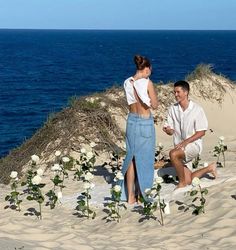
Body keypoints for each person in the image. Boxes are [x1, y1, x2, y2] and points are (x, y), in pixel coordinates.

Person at [163, 80, 217, 188]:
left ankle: (181, 184)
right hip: (179, 147)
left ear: (186, 92)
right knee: (189, 179)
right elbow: (170, 129)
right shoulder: (172, 109)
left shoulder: (197, 109)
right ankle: (210, 168)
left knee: (172, 154)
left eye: (178, 92)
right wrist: (168, 130)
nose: (175, 95)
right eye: (174, 92)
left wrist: (186, 142)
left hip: (193, 146)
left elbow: (202, 132)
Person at [120, 55, 158, 204]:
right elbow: (154, 105)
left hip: (131, 121)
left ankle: (130, 196)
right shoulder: (147, 83)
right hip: (144, 121)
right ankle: (144, 195)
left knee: (131, 158)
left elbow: (130, 102)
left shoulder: (127, 82)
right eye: (150, 69)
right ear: (146, 69)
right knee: (146, 160)